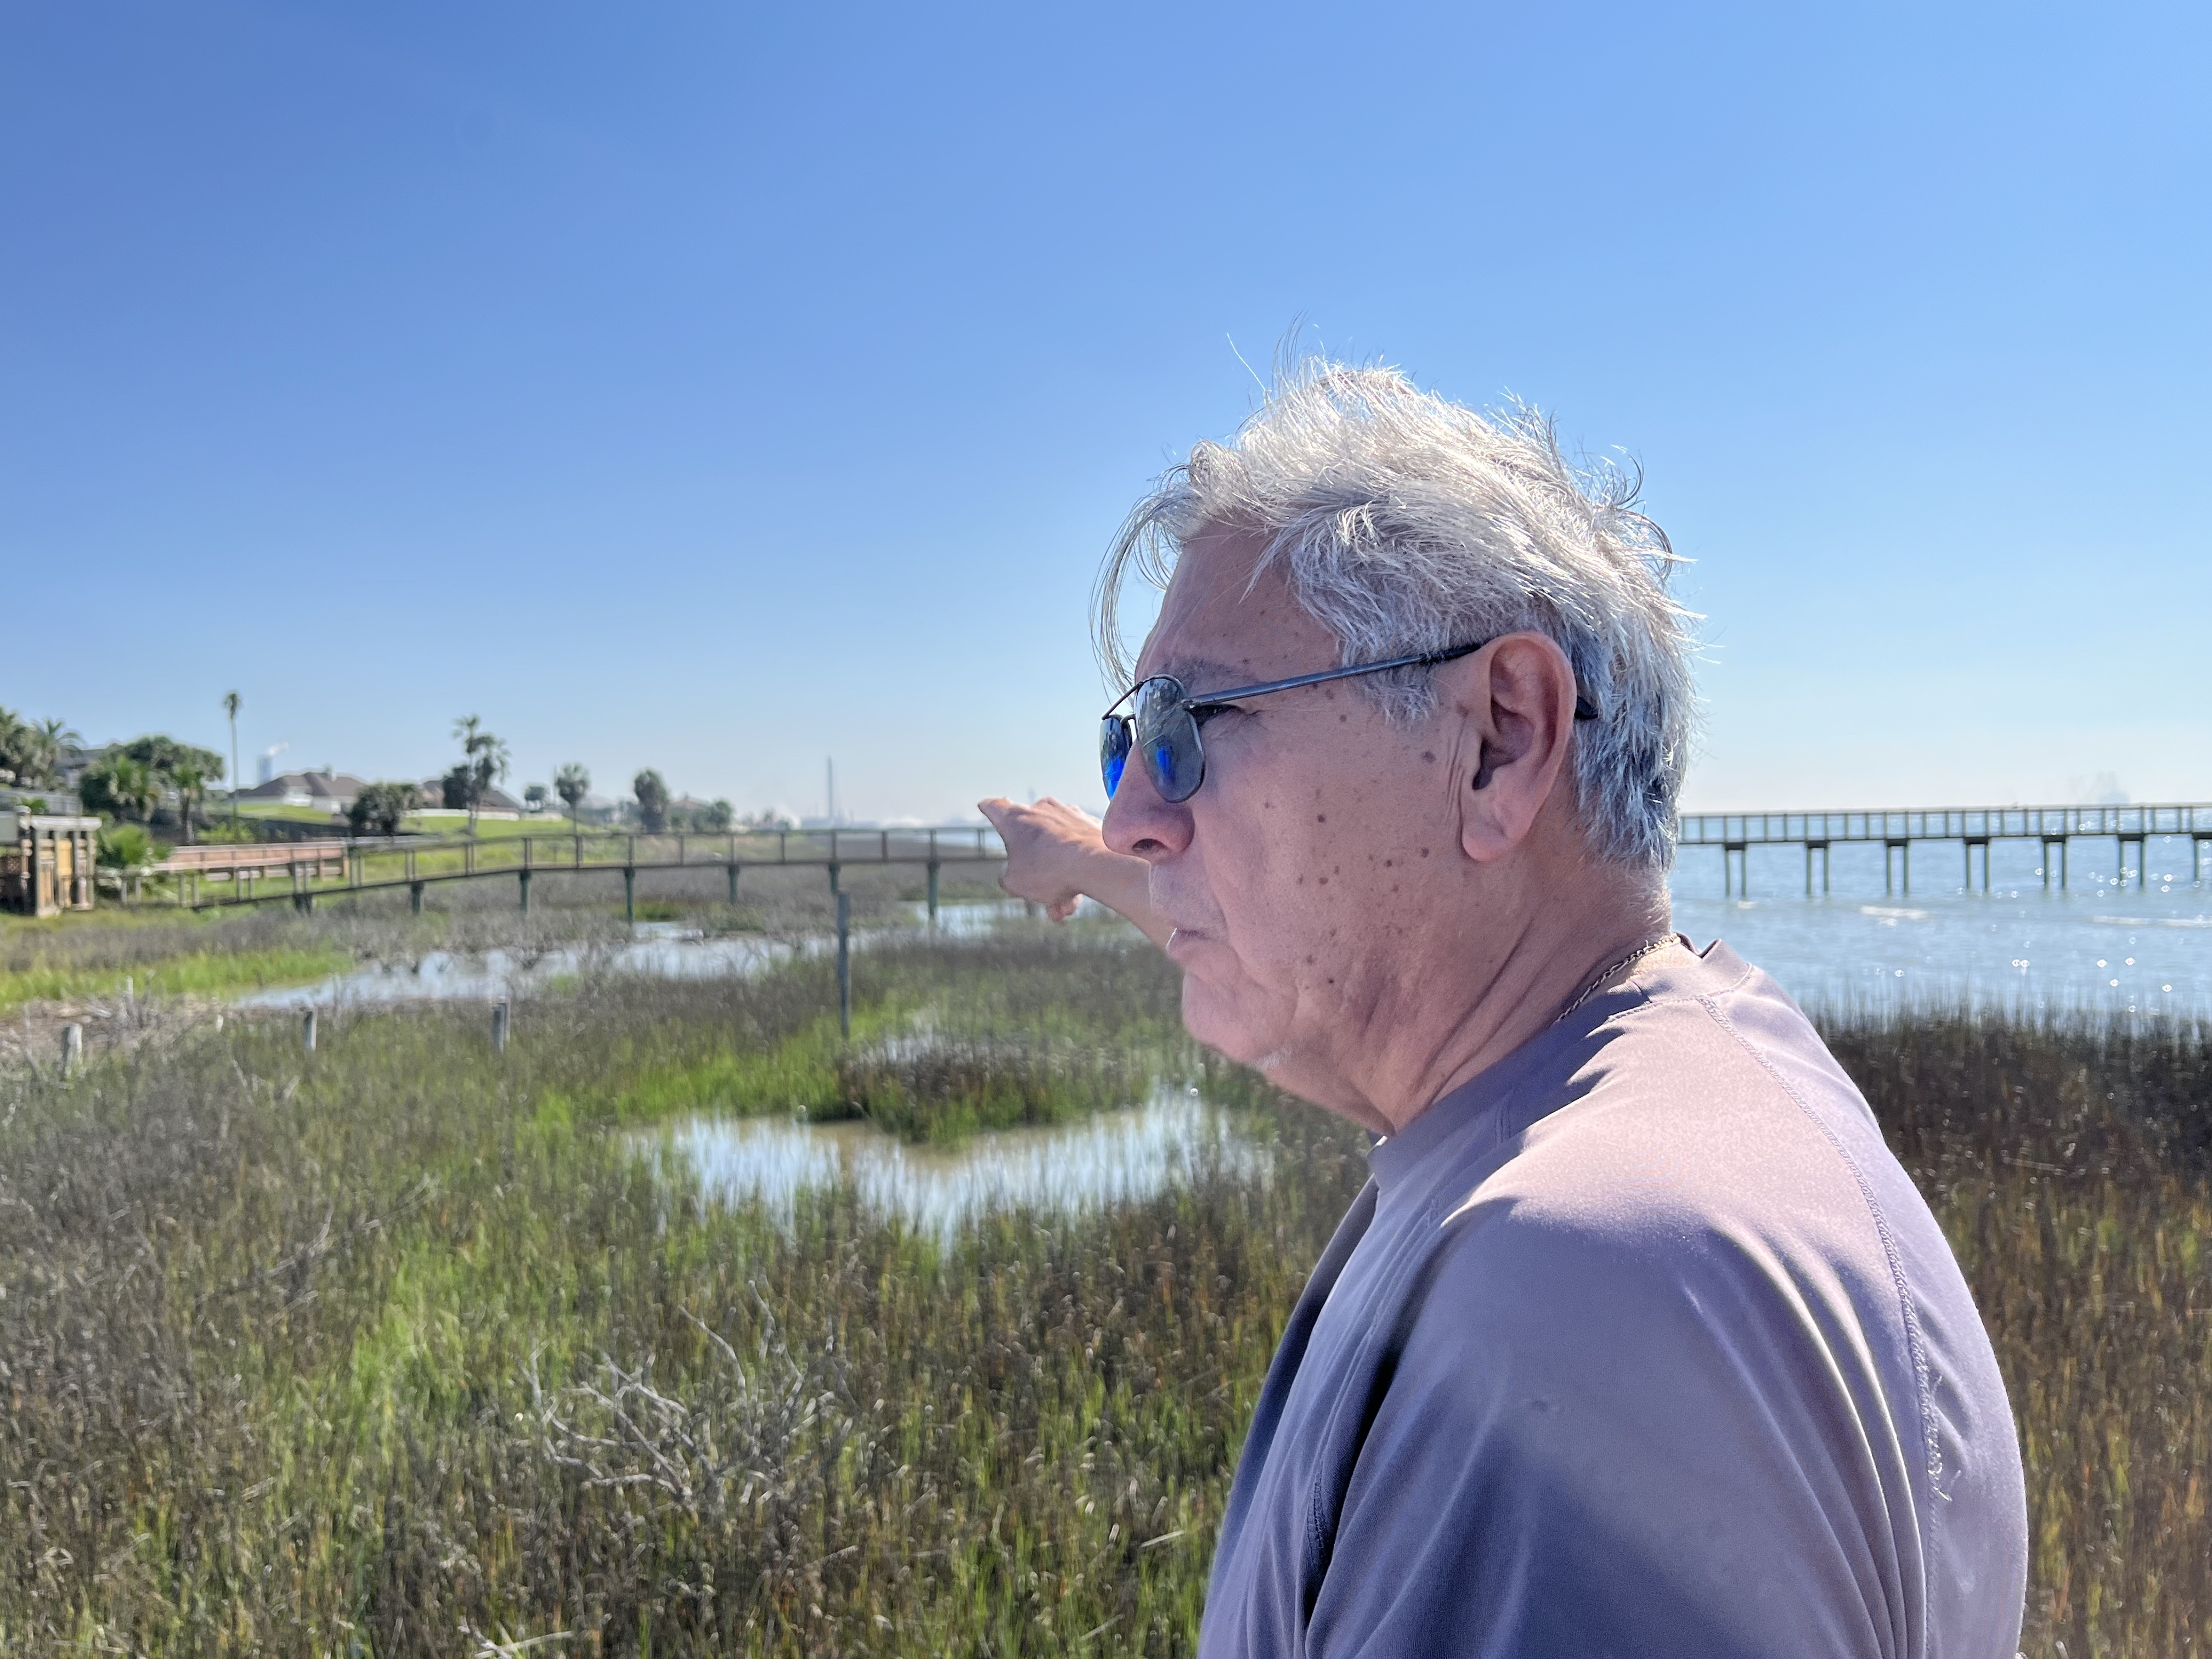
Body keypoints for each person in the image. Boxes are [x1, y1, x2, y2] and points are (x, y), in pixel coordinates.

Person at [979, 360, 2027, 1657]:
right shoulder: (1698, 1076)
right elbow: (1283, 941)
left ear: (1498, 742)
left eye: (1188, 728)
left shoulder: (1579, 1292)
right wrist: (1078, 861)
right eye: (1122, 742)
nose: (1139, 814)